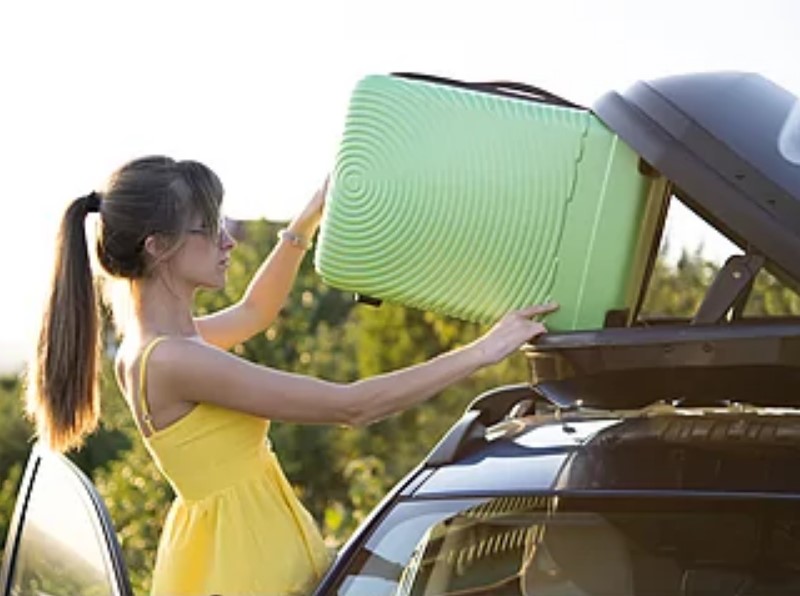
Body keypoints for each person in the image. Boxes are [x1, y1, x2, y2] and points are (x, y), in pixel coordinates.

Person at [26, 155, 557, 595]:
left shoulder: (158, 350)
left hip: (232, 549)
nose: (227, 241)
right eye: (208, 229)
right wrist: (482, 352)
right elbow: (353, 406)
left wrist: (308, 216)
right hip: (247, 566)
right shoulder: (175, 361)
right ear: (157, 246)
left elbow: (256, 312)